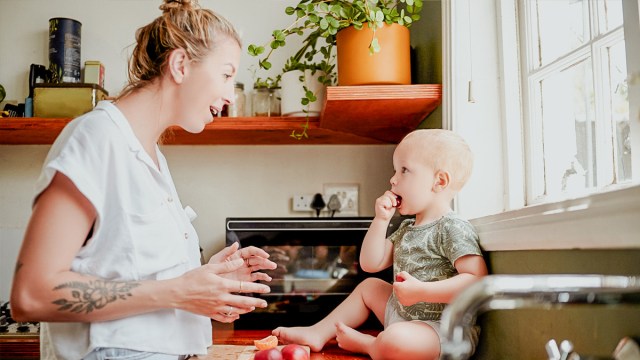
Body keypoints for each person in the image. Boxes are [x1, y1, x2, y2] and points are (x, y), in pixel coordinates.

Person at [10, 1, 277, 359]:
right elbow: (32, 294)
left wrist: (208, 283)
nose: (230, 95)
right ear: (181, 65)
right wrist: (180, 290)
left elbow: (138, 278)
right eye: (227, 74)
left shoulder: (151, 157)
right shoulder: (97, 138)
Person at [273, 129, 489, 360]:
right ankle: (318, 333)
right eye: (395, 171)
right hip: (404, 319)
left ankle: (371, 346)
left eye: (404, 170)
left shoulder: (452, 227)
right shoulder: (407, 228)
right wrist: (381, 220)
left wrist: (422, 292)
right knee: (370, 286)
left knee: (395, 339)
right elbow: (370, 263)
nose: (393, 179)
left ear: (439, 181)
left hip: (441, 331)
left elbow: (477, 282)